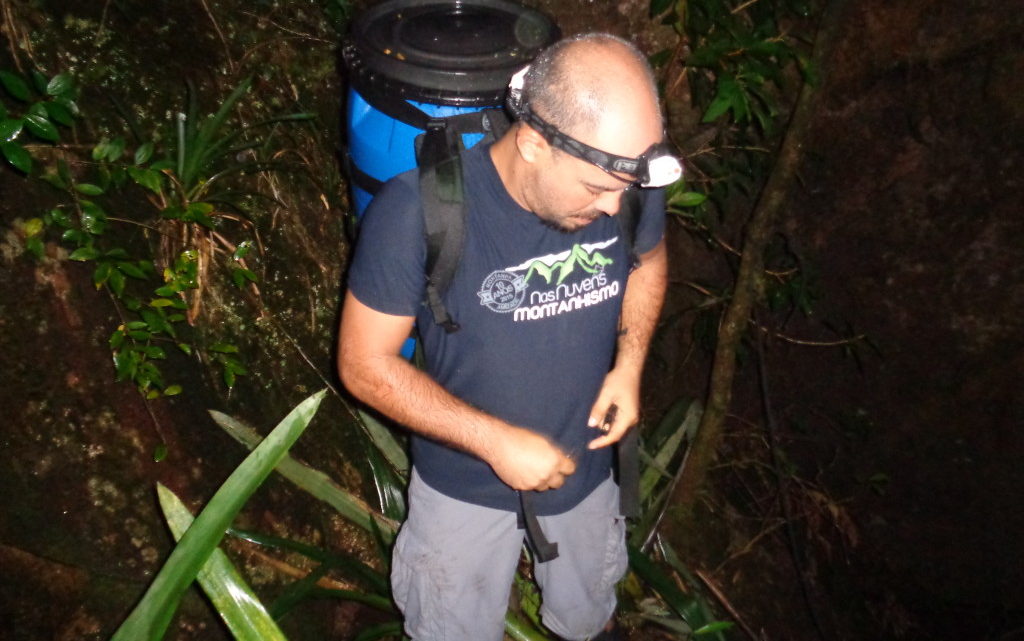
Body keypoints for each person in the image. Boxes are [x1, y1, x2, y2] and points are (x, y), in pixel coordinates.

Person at [338, 32, 674, 641]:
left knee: (590, 620)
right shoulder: (417, 211)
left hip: (588, 469)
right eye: (597, 189)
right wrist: (493, 442)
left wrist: (628, 367)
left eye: (626, 189)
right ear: (533, 143)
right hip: (462, 488)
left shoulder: (624, 187)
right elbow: (364, 364)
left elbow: (647, 261)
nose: (612, 208)